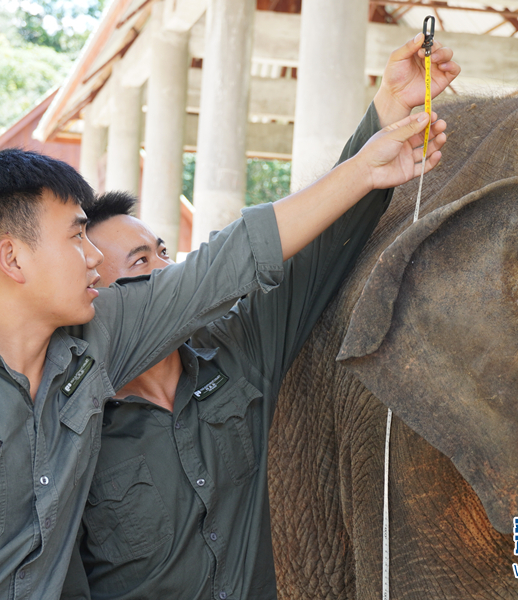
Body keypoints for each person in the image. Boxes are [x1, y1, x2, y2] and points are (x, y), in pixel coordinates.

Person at [0, 41, 448, 600]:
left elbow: (231, 262)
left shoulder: (100, 345)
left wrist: (366, 165)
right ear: (13, 258)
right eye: (74, 237)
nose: (95, 258)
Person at [61, 34, 459, 600]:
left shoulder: (238, 352)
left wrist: (387, 114)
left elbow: (314, 256)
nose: (168, 270)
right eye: (141, 262)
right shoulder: (70, 419)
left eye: (163, 251)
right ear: (97, 296)